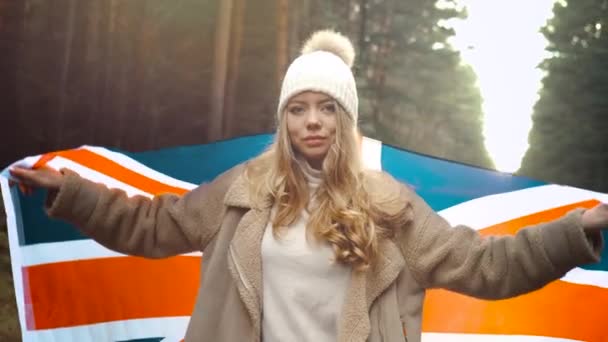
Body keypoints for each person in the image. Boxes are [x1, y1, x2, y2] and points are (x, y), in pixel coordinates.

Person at [9, 30, 608, 342]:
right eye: (299, 108)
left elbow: (487, 265)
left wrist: (573, 231)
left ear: (346, 119)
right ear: (284, 118)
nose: (313, 121)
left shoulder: (389, 207)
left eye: (327, 108)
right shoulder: (241, 192)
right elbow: (152, 224)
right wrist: (73, 192)